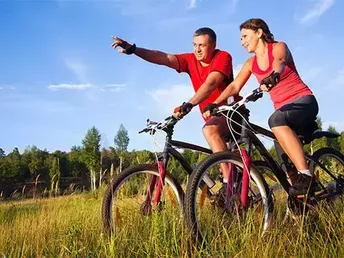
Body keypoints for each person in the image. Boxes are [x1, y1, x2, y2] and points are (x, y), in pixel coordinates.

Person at [111, 27, 245, 183]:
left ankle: (230, 184)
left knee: (209, 131)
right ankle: (227, 185)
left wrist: (189, 104)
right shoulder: (190, 60)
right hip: (212, 118)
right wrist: (134, 49)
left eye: (202, 45)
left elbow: (211, 83)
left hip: (232, 114)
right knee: (214, 145)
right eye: (194, 45)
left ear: (213, 45)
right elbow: (163, 58)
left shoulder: (223, 57)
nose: (197, 49)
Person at [203, 18, 319, 196]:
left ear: (258, 33)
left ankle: (306, 175)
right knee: (285, 165)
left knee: (275, 120)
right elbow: (234, 87)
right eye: (240, 38)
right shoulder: (251, 63)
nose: (242, 42)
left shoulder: (278, 47)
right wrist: (215, 103)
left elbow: (279, 61)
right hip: (284, 114)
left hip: (303, 101)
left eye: (245, 36)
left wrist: (274, 75)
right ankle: (303, 201)